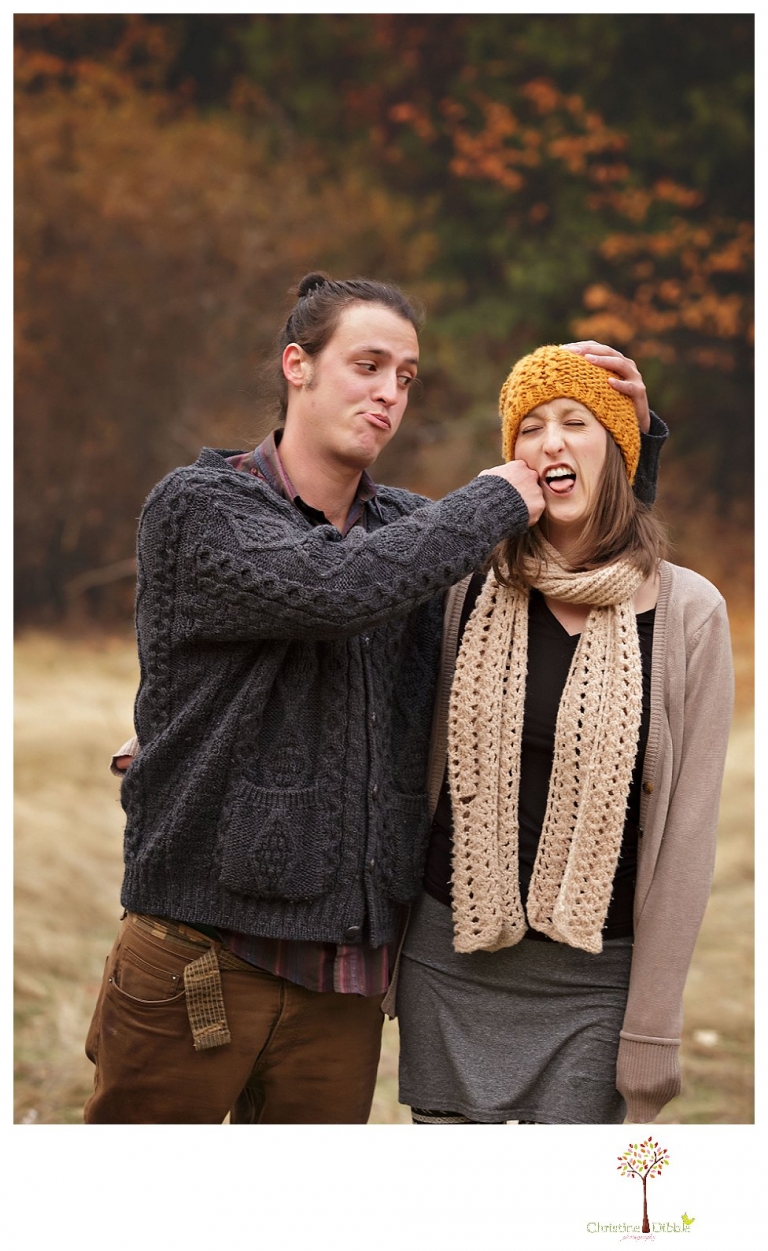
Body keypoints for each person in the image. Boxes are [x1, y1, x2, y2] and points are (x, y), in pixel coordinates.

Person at [86, 273, 666, 1123]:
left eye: (407, 376)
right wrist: (497, 494)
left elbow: (571, 561)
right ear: (298, 365)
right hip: (199, 963)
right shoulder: (199, 507)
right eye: (368, 365)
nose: (390, 392)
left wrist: (627, 446)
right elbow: (334, 588)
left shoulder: (411, 530)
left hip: (343, 987)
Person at [394, 344, 733, 1126]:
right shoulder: (462, 584)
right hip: (451, 967)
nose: (551, 441)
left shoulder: (688, 615)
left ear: (618, 450)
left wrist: (653, 1023)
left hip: (594, 985)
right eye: (531, 427)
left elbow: (687, 839)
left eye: (576, 422)